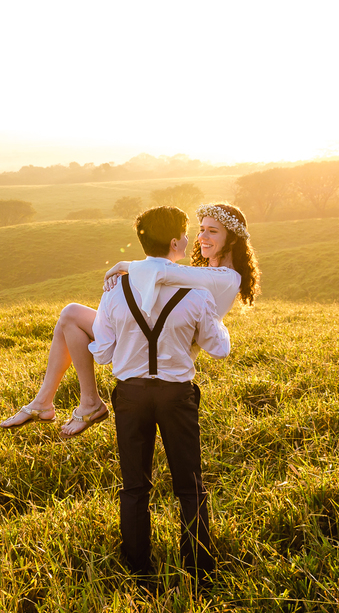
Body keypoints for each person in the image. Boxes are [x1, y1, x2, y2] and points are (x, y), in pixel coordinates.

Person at [0, 202, 258, 436]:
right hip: (155, 339)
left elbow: (164, 272)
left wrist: (126, 266)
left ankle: (84, 403)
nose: (202, 237)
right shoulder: (210, 272)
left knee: (72, 315)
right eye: (201, 230)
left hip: (163, 351)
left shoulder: (227, 278)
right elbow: (168, 276)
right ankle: (54, 401)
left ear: (232, 238)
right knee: (70, 315)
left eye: (213, 231)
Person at [88, 205, 235, 589]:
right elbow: (219, 349)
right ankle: (200, 572)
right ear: (174, 242)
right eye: (187, 234)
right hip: (176, 396)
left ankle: (138, 573)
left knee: (134, 487)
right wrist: (214, 322)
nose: (191, 240)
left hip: (130, 396)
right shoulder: (197, 292)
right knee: (190, 486)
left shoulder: (115, 290)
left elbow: (102, 353)